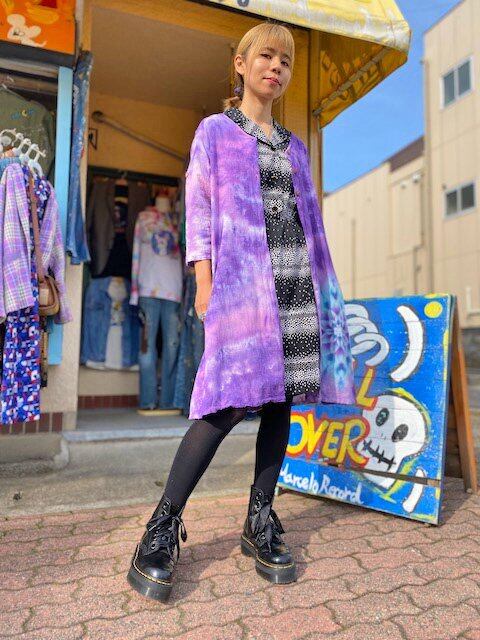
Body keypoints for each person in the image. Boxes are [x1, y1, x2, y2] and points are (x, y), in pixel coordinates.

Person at [127, 20, 355, 603]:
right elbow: (199, 208)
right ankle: (160, 528)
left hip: (296, 283)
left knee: (280, 403)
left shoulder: (296, 147)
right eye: (266, 56)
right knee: (224, 403)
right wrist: (204, 281)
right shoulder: (214, 131)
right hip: (243, 286)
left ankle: (260, 519)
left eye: (286, 61)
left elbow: (311, 223)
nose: (276, 67)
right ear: (241, 63)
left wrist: (325, 293)